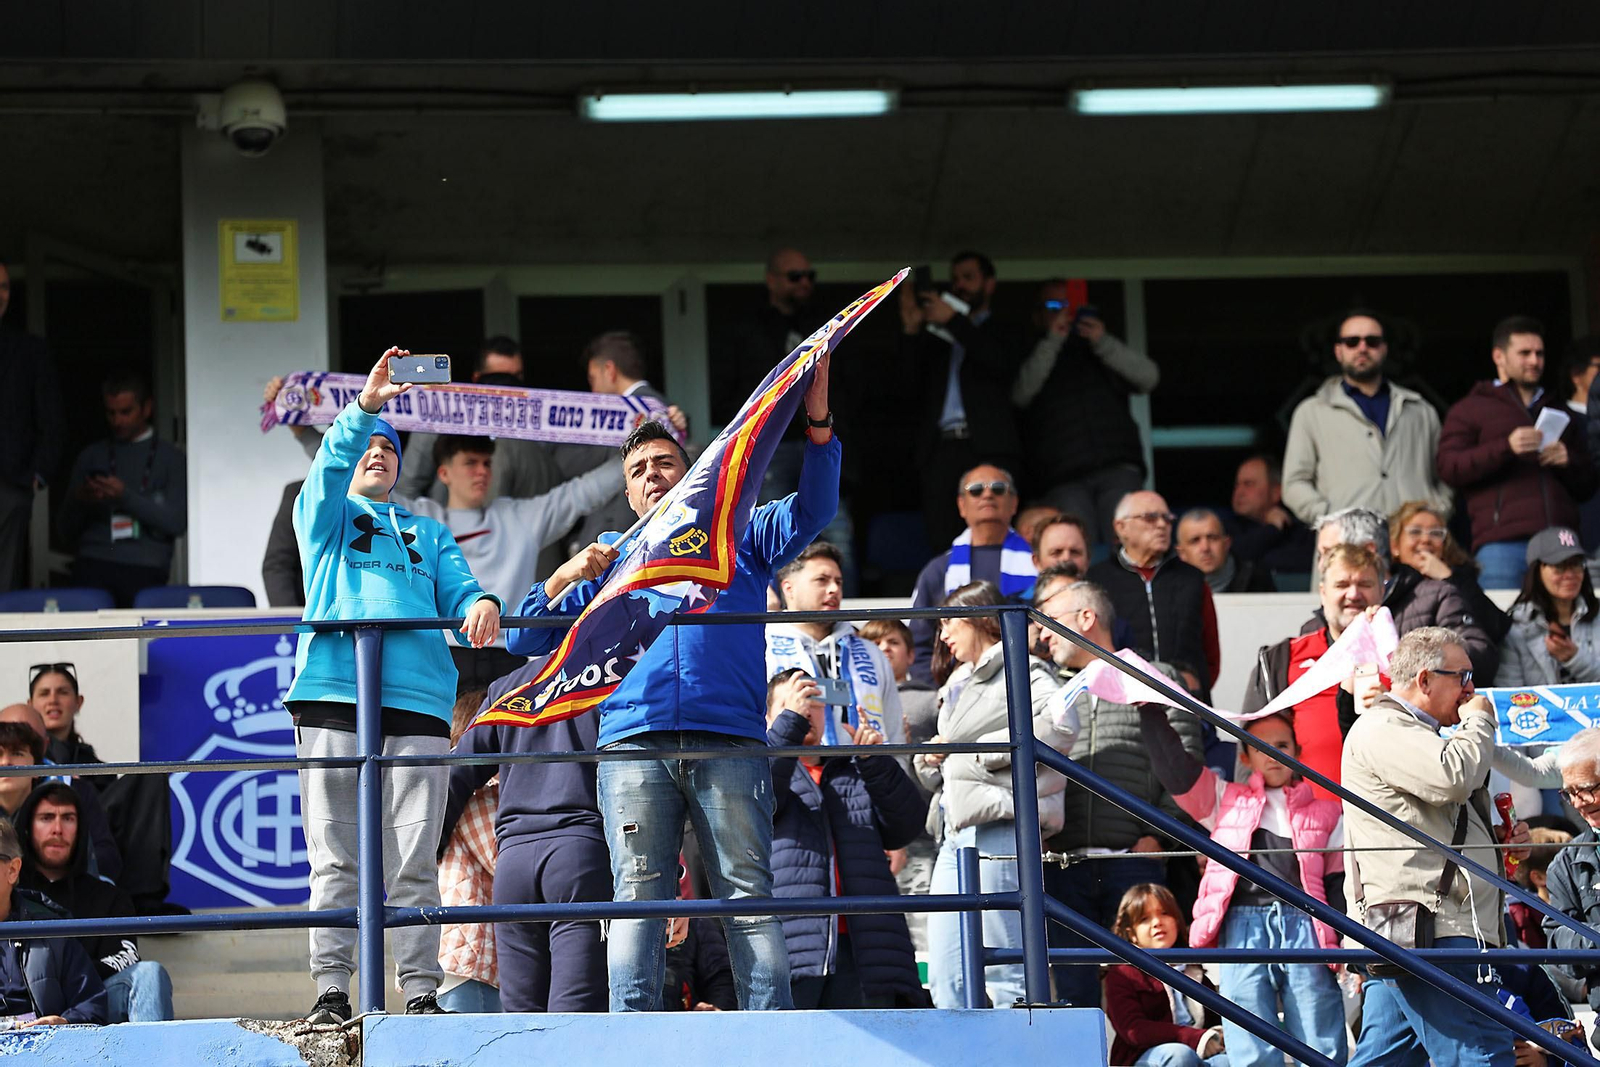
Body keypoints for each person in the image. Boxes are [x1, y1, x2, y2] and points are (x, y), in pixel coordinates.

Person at [508, 351, 842, 1013]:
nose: (651, 475)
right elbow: (523, 637)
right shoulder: (610, 558)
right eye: (637, 470)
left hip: (732, 740)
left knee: (747, 897)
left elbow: (815, 509)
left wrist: (820, 425)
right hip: (632, 746)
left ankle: (768, 1041)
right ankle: (635, 1043)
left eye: (663, 462)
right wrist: (568, 572)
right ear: (627, 491)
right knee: (638, 902)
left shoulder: (735, 529)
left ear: (688, 472)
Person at [286, 348, 503, 1024]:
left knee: (413, 857)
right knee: (336, 855)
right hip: (332, 690)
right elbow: (328, 466)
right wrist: (369, 407)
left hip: (416, 702)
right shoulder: (322, 515)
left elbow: (465, 593)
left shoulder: (428, 530)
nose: (377, 452)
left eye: (389, 448)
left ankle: (420, 991)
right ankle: (332, 990)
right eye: (366, 445)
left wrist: (484, 601)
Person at [1342, 626, 1531, 1067]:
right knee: (1482, 1054)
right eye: (1462, 677)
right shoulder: (1383, 726)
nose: (1471, 690)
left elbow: (1441, 814)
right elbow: (1452, 778)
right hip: (1431, 930)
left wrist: (1496, 846)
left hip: (1421, 928)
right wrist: (1480, 719)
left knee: (1383, 1061)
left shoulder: (1414, 732)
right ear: (1424, 680)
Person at [1140, 706, 1348, 1066]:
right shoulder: (1225, 798)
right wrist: (1148, 710)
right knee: (1249, 1039)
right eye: (1260, 746)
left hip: (1306, 924)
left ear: (1298, 751)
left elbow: (1338, 883)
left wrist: (1345, 941)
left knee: (1319, 1032)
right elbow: (1176, 771)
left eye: (1282, 745)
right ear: (1245, 755)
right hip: (1241, 924)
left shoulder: (1328, 812)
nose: (1273, 755)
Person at [1035, 571, 1202, 1010]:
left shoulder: (1152, 676)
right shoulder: (1047, 686)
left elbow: (1186, 762)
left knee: (1147, 991)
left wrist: (1160, 837)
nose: (1041, 633)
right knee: (1073, 992)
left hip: (1134, 859)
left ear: (1086, 617)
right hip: (1062, 863)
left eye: (1050, 620)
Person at [915, 580, 1071, 1010]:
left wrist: (978, 755)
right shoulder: (955, 681)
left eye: (950, 622)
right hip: (953, 835)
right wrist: (933, 759)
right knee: (947, 975)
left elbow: (1061, 726)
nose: (942, 634)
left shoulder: (1023, 667)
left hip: (1002, 825)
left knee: (1007, 968)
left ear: (980, 619)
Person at [444, 662, 609, 1014]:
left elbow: (457, 770)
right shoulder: (611, 672)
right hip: (579, 853)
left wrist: (426, 849)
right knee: (574, 1017)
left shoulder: (509, 685)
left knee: (519, 1022)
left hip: (514, 863)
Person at [403, 433, 620, 693]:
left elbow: (583, 492)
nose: (482, 471)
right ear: (444, 473)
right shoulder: (420, 518)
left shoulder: (519, 516)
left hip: (509, 654)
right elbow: (361, 487)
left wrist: (643, 443)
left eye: (487, 463)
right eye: (470, 463)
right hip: (443, 652)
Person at [765, 669, 925, 1009]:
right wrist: (790, 724)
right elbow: (759, 801)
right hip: (794, 955)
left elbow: (907, 826)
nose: (807, 710)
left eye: (814, 702)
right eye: (792, 703)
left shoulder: (852, 767)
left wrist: (875, 763)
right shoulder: (758, 771)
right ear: (768, 717)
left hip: (868, 952)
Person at [1439, 315, 1597, 591]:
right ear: (1498, 356)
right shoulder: (1471, 408)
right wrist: (1505, 447)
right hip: (1502, 542)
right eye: (1525, 353)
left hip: (1560, 539)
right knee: (1501, 626)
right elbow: (1449, 467)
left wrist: (1568, 460)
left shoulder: (1559, 408)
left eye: (1539, 353)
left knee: (1573, 625)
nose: (1535, 361)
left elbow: (1587, 485)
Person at [1012, 279, 1159, 545]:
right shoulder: (1030, 350)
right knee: (1074, 548)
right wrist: (1053, 341)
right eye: (1054, 305)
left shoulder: (1101, 348)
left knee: (1130, 546)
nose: (1064, 312)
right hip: (1062, 476)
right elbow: (1021, 393)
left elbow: (1149, 378)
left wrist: (1101, 339)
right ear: (1038, 315)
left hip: (1117, 465)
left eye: (1071, 305)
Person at [16, 782, 173, 1022]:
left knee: (149, 974)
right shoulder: (10, 893)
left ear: (81, 829)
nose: (57, 829)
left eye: (68, 818)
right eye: (46, 818)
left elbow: (127, 956)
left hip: (92, 1000)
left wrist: (70, 976)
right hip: (25, 1007)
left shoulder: (110, 896)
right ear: (27, 828)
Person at [898, 251, 1025, 547]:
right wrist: (911, 330)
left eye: (969, 278)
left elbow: (1001, 365)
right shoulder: (937, 337)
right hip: (941, 449)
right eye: (955, 279)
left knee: (997, 537)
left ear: (989, 284)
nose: (960, 286)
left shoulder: (1004, 329)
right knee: (944, 541)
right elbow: (907, 389)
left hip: (990, 448)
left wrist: (955, 321)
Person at [1282, 309, 1452, 526]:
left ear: (1384, 349)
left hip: (1414, 539)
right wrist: (1330, 517)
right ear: (1338, 351)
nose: (1362, 348)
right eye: (1352, 342)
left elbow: (1446, 473)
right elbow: (1294, 483)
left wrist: (1437, 511)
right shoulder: (1312, 411)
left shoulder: (1420, 410)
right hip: (1347, 544)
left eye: (1372, 341)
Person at [1243, 543, 1381, 800]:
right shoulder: (1281, 658)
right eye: (1341, 585)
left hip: (1387, 821)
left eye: (1365, 584)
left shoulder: (1404, 658)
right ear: (1322, 593)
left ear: (1382, 590)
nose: (1353, 594)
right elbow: (1251, 744)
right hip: (1307, 826)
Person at [1311, 506, 1502, 683]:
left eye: (1332, 552)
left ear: (1369, 550)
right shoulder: (1314, 626)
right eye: (1321, 555)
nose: (1321, 565)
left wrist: (1408, 659)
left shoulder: (1437, 597)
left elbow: (1481, 658)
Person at [56, 373, 186, 607]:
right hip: (93, 562)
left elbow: (176, 523)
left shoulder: (172, 458)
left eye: (126, 412)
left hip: (145, 567)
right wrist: (80, 500)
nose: (117, 421)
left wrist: (124, 496)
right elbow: (64, 531)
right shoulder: (91, 456)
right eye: (111, 413)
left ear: (147, 408)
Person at [906, 464, 1037, 685]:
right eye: (976, 489)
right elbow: (919, 642)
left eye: (998, 488)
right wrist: (938, 691)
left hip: (1027, 685)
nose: (987, 494)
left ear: (1014, 503)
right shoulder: (938, 571)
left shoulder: (1036, 564)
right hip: (955, 691)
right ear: (961, 505)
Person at [765, 541, 904, 745]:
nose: (834, 589)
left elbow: (895, 731)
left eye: (838, 582)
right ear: (789, 588)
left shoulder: (869, 651)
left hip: (865, 774)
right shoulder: (762, 647)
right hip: (788, 774)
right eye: (822, 580)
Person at [394, 336, 561, 504]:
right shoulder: (440, 419)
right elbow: (407, 489)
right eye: (498, 379)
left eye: (516, 378)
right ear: (477, 379)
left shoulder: (538, 422)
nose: (509, 387)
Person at [1087, 490, 1220, 699]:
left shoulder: (1192, 579)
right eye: (1150, 518)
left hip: (1188, 704)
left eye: (1167, 519)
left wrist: (1194, 688)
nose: (1161, 525)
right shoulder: (1096, 581)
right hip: (1121, 704)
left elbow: (1210, 655)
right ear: (1121, 527)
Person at [857, 617, 938, 952]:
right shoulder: (852, 700)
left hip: (919, 835)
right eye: (874, 644)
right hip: (864, 834)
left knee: (923, 929)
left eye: (892, 642)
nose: (883, 650)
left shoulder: (932, 701)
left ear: (910, 655)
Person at [1102, 883, 1227, 1067]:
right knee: (1180, 1056)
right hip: (1144, 1057)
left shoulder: (1194, 970)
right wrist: (1194, 1038)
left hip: (1197, 1051)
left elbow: (1215, 1020)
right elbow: (1134, 1030)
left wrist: (1217, 1036)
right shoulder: (1122, 973)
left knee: (1228, 1061)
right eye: (1144, 919)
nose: (1157, 922)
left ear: (1177, 921)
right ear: (1132, 934)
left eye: (1165, 913)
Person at [0, 818, 105, 1026]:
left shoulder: (51, 930)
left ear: (13, 870)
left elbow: (92, 1005)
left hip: (41, 1048)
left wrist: (64, 1022)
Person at [0, 702, 118, 883]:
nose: (6, 762)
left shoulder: (74, 793)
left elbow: (104, 862)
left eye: (17, 752)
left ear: (38, 765)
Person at [0, 260, 63, 592]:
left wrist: (36, 477)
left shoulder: (29, 350)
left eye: (5, 286)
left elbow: (51, 421)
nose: (0, 294)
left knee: (3, 586)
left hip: (9, 486)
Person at [435, 692, 500, 1014]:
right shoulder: (479, 796)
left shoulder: (447, 792)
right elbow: (502, 857)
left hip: (457, 955)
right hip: (467, 960)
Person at [1389, 499, 1510, 646]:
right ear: (1394, 545)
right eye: (1415, 531)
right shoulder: (1383, 583)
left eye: (1435, 533)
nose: (1426, 539)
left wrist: (1448, 577)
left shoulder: (1461, 577)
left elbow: (1497, 627)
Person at [1543, 728, 1600, 1028]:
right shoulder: (1566, 863)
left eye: (1587, 789)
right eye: (1569, 793)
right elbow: (1557, 941)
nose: (1578, 802)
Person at [1498, 526, 1600, 687]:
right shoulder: (1515, 626)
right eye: (1559, 566)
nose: (1570, 574)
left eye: (1576, 564)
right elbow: (1511, 696)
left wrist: (1574, 659)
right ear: (1536, 571)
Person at [1225, 454, 1315, 576]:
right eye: (1237, 485)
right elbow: (1231, 558)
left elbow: (1308, 562)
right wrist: (1272, 528)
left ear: (1276, 492)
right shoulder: (1225, 529)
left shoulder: (1300, 528)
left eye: (1248, 484)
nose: (1239, 492)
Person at [1175, 508, 1275, 594]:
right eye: (1195, 541)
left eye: (1212, 538)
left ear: (1226, 544)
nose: (1205, 548)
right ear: (1181, 553)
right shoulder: (1168, 587)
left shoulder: (1256, 580)